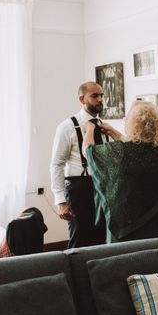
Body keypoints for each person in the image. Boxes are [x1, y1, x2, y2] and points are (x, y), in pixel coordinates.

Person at [82, 101, 158, 243]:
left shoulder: (120, 151)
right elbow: (133, 147)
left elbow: (89, 151)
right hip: (150, 216)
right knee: (145, 255)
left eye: (127, 117)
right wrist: (111, 131)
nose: (125, 120)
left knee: (121, 258)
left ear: (134, 124)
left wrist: (89, 129)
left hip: (124, 222)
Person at [50, 81, 107, 248]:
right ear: (82, 99)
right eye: (94, 96)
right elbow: (56, 164)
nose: (100, 99)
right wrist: (60, 201)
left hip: (103, 188)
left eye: (102, 95)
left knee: (102, 240)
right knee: (80, 241)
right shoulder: (67, 127)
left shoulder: (104, 127)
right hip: (80, 189)